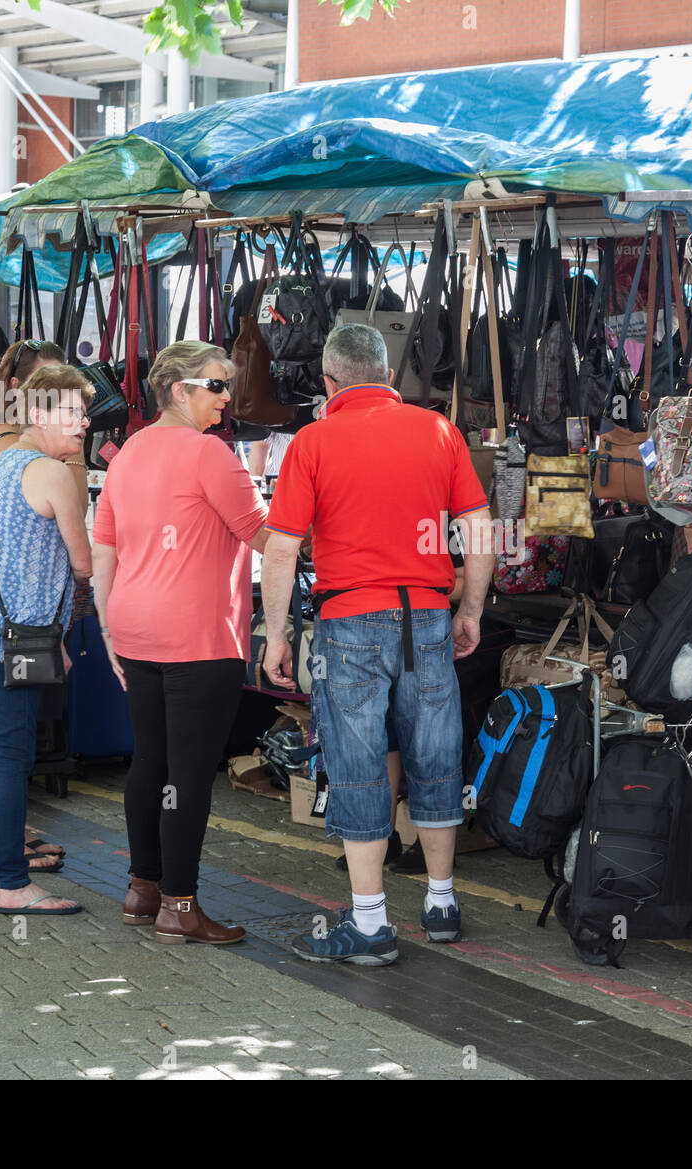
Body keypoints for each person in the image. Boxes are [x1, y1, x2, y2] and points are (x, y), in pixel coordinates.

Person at [261, 323, 494, 966]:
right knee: (436, 750)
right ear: (389, 378)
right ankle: (441, 902)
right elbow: (478, 523)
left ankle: (369, 924)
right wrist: (469, 607)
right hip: (426, 616)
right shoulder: (438, 430)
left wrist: (276, 633)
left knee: (361, 764)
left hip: (350, 621)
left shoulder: (312, 441)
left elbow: (281, 546)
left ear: (329, 383)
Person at [92, 340, 269, 945]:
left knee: (152, 761)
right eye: (216, 386)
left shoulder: (129, 452)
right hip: (197, 633)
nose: (227, 398)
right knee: (188, 774)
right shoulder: (209, 455)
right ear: (179, 390)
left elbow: (104, 549)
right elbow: (267, 536)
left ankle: (144, 889)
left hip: (137, 625)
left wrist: (110, 627)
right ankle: (180, 905)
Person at [0, 365, 93, 915]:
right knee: (12, 759)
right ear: (38, 414)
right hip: (22, 637)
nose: (84, 424)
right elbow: (82, 563)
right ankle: (16, 886)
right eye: (73, 413)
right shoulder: (53, 474)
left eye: (84, 412)